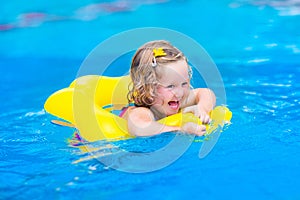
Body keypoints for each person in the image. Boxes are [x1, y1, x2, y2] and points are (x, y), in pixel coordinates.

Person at [121, 40, 216, 137]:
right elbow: (140, 129)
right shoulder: (141, 111)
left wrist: (202, 108)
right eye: (170, 86)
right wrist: (181, 130)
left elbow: (206, 93)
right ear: (148, 88)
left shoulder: (177, 100)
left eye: (184, 84)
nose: (179, 93)